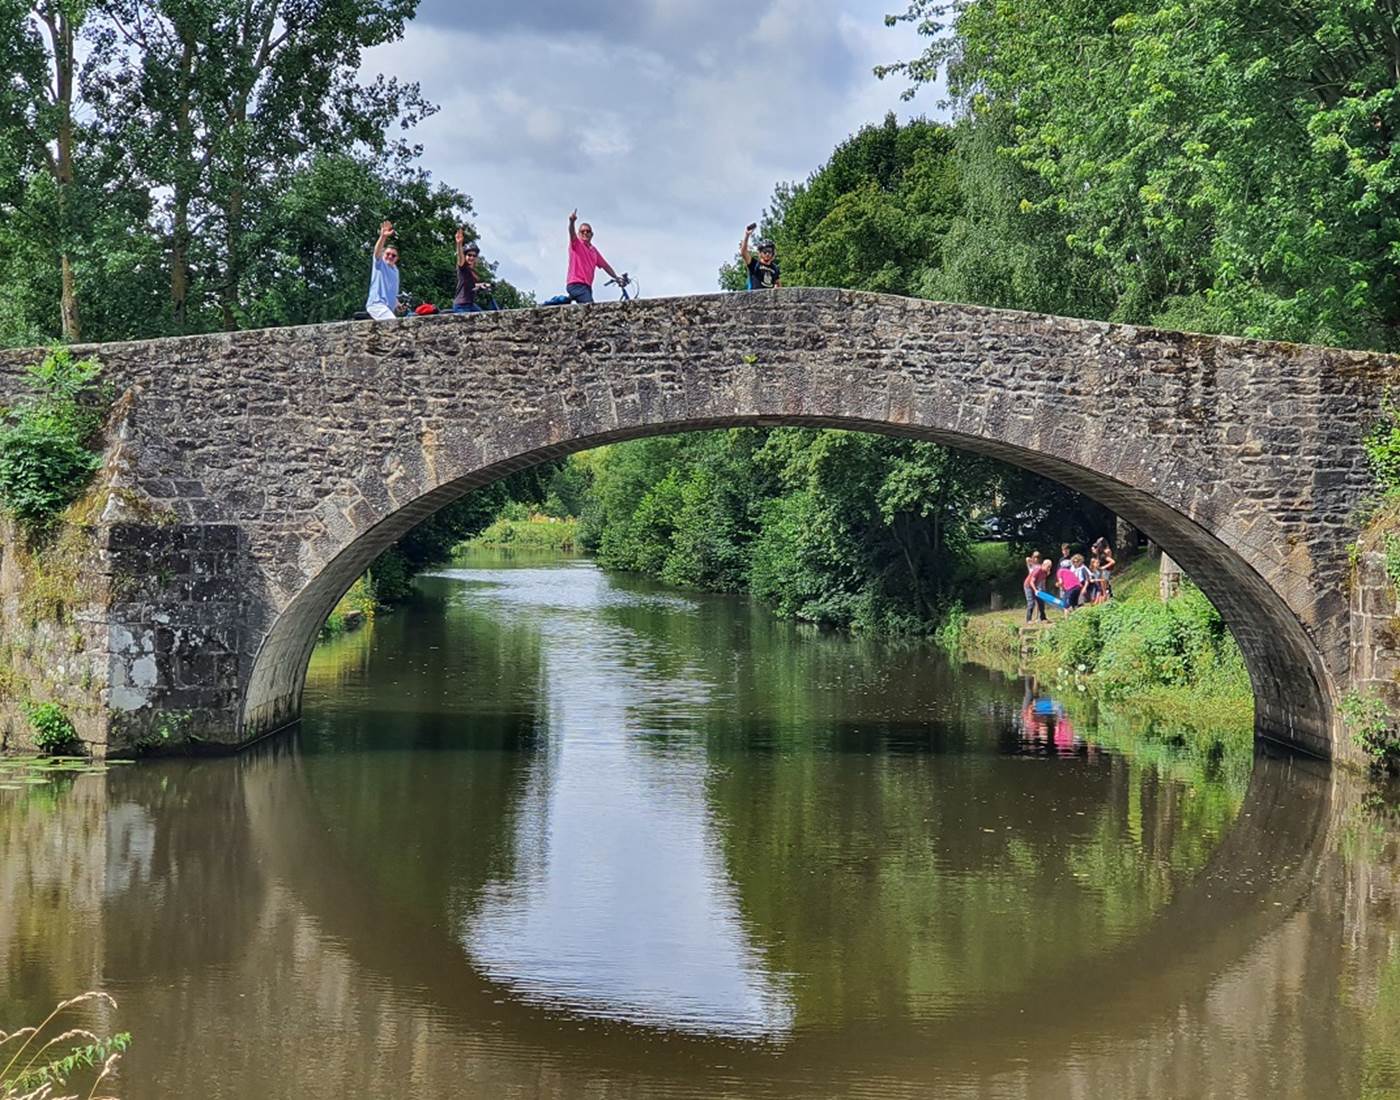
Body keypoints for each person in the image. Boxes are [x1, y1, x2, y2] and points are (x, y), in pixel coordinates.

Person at [565, 210, 623, 304]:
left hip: (586, 286)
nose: (585, 233)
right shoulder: (576, 244)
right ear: (579, 234)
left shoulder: (593, 251)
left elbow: (605, 266)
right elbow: (571, 233)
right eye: (582, 231)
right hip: (576, 284)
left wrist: (616, 277)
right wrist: (572, 222)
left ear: (592, 234)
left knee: (586, 309)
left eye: (588, 231)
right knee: (590, 308)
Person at [365, 220, 401, 321]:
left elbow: (391, 291)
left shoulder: (395, 271)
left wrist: (397, 304)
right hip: (377, 305)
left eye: (393, 255)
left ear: (397, 258)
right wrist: (383, 237)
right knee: (395, 326)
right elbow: (376, 252)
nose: (390, 257)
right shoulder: (380, 264)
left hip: (388, 308)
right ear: (383, 254)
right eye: (387, 254)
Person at [453, 228, 493, 313]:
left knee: (484, 318)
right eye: (469, 255)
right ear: (465, 256)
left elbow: (470, 284)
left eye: (474, 256)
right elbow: (460, 257)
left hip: (470, 304)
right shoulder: (463, 267)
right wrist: (459, 244)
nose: (471, 257)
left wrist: (481, 285)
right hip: (462, 305)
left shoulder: (473, 271)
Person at [740, 224, 781, 290]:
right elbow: (744, 253)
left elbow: (778, 284)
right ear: (760, 253)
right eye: (764, 251)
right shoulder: (754, 264)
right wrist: (747, 235)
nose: (767, 254)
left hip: (769, 298)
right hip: (754, 297)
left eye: (769, 251)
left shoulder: (775, 268)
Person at [1024, 550, 1047, 622]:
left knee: (1040, 601)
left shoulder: (1043, 569)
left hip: (1036, 584)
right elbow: (1027, 559)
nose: (1036, 559)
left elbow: (1042, 581)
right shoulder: (1033, 566)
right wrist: (1035, 590)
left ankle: (1042, 618)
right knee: (1031, 602)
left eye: (1038, 557)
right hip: (1029, 584)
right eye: (1035, 557)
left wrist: (1041, 590)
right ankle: (1028, 619)